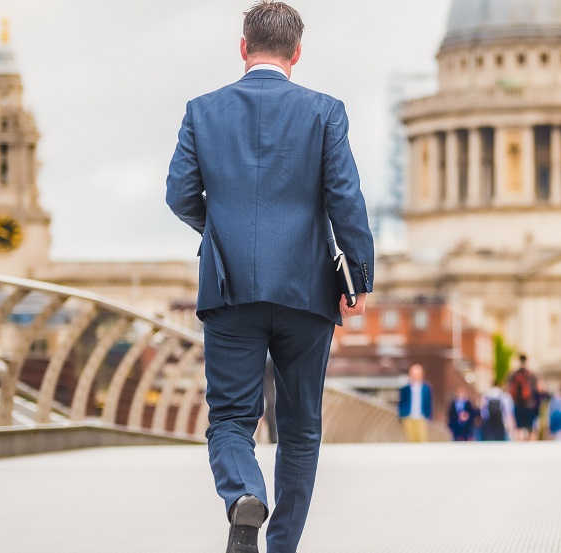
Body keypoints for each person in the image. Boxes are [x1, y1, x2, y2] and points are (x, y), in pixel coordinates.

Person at [164, 3, 374, 552]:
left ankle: (242, 497)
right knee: (301, 427)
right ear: (296, 53)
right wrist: (357, 280)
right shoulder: (325, 112)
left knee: (231, 418)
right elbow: (345, 200)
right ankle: (282, 546)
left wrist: (224, 231)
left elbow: (179, 195)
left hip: (230, 290)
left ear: (243, 47)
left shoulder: (202, 111)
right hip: (308, 293)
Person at [506, 354, 541, 441]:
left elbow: (508, 388)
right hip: (529, 404)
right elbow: (538, 389)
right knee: (530, 427)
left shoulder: (513, 374)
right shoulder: (532, 374)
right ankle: (530, 446)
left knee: (518, 428)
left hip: (517, 403)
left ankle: (519, 446)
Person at [397, 364, 433, 443]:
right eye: (413, 374)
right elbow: (401, 402)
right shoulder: (405, 388)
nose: (415, 376)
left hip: (421, 417)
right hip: (408, 417)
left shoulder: (426, 388)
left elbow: (428, 403)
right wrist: (401, 415)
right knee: (410, 439)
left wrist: (429, 417)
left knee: (422, 439)